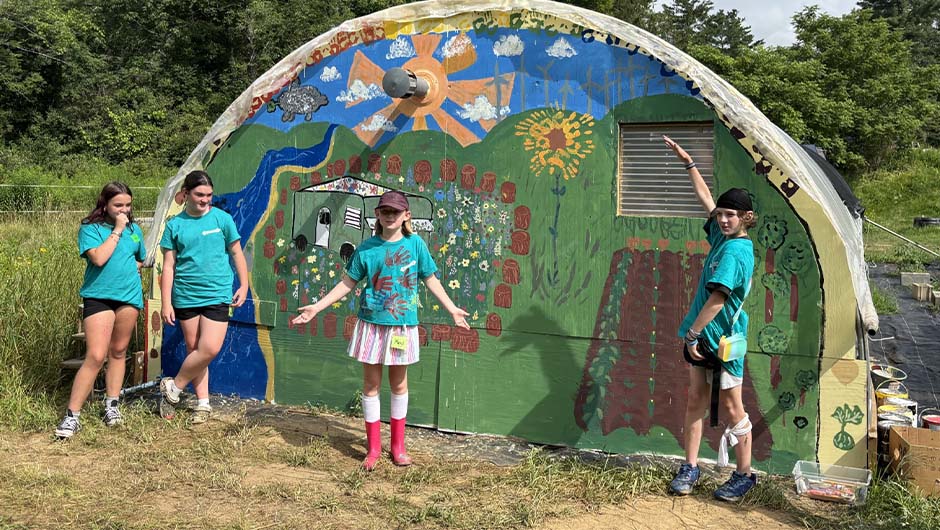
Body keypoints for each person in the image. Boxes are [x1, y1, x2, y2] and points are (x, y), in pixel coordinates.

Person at [292, 190, 469, 470]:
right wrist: (317, 307)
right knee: (371, 385)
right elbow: (347, 284)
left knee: (399, 385)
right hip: (371, 326)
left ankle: (398, 446)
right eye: (385, 211)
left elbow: (431, 279)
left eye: (395, 212)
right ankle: (373, 447)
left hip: (401, 326)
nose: (390, 216)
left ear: (406, 216)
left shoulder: (416, 245)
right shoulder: (366, 249)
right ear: (377, 214)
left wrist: (452, 309)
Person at [662, 135, 758, 501]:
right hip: (703, 339)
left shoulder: (736, 250)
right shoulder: (722, 237)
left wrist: (692, 335)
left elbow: (718, 299)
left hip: (721, 341)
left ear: (746, 218)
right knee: (695, 401)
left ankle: (745, 474)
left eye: (730, 215)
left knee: (733, 407)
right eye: (720, 214)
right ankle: (690, 466)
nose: (722, 219)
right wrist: (689, 163)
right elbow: (707, 200)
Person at [55, 182, 146, 439]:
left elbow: (141, 256)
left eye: (128, 205)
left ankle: (112, 406)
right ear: (105, 204)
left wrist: (135, 265)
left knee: (118, 352)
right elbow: (99, 258)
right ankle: (72, 416)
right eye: (118, 205)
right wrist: (117, 230)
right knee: (95, 355)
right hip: (99, 297)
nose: (124, 211)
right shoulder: (91, 228)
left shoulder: (135, 230)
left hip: (129, 297)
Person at [158, 170, 248, 423]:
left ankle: (173, 388)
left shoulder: (222, 219)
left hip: (217, 294)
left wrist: (244, 284)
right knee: (194, 350)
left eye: (209, 195)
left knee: (209, 348)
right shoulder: (174, 225)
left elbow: (237, 254)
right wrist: (166, 302)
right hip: (186, 295)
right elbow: (168, 267)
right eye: (199, 195)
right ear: (186, 194)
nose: (205, 200)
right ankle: (203, 404)